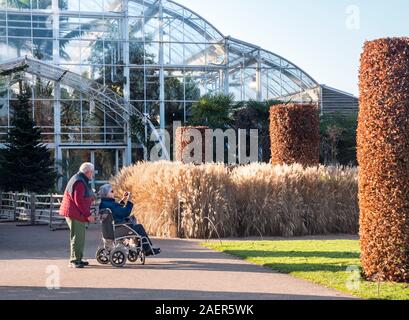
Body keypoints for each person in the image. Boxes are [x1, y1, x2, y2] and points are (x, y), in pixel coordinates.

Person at [98, 184, 160, 256]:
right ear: (106, 194)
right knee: (139, 227)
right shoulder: (110, 204)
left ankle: (142, 247)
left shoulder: (104, 204)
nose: (113, 192)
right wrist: (129, 201)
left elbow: (115, 211)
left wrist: (123, 199)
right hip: (119, 228)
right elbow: (125, 212)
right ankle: (147, 249)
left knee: (135, 225)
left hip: (110, 229)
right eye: (111, 191)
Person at [59, 163, 96, 268]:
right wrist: (88, 215)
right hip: (75, 213)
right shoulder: (79, 181)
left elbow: (81, 198)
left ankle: (78, 258)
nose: (92, 174)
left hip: (75, 212)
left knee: (80, 236)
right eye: (92, 172)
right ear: (87, 172)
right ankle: (74, 260)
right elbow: (78, 200)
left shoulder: (79, 179)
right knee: (77, 237)